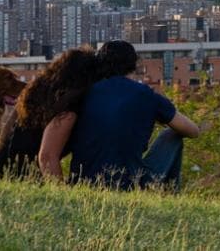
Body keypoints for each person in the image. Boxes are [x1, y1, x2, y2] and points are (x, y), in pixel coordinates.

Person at [59, 40, 199, 190]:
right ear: (133, 65)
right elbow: (192, 131)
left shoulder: (83, 94)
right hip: (130, 184)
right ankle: (169, 194)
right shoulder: (146, 95)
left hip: (83, 184)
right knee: (171, 135)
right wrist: (158, 117)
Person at [0, 47, 99, 178]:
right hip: (17, 177)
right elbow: (47, 157)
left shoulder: (39, 92)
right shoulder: (68, 107)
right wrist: (62, 195)